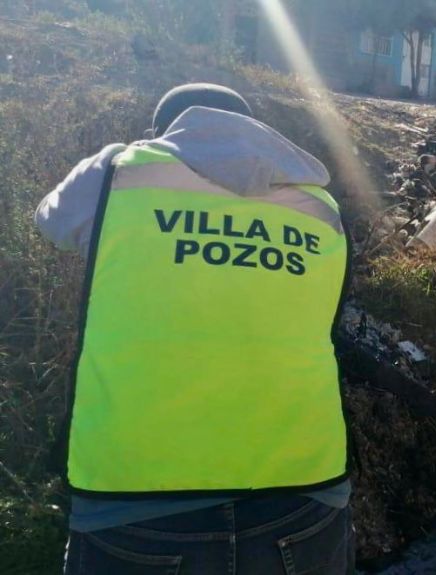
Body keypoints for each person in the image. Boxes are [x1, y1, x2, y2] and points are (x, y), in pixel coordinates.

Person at [37, 83, 355, 573]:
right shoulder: (321, 209)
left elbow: (51, 223)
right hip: (304, 490)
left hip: (135, 495)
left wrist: (116, 153)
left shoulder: (118, 174)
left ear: (162, 132)